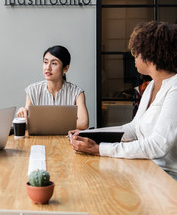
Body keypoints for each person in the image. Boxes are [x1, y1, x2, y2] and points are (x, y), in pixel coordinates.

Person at [69, 21, 177, 180]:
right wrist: (89, 134)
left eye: (135, 51)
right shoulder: (151, 85)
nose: (133, 57)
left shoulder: (174, 88)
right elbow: (133, 129)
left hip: (166, 178)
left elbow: (157, 146)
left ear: (150, 53)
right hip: (146, 169)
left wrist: (99, 149)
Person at [16, 45, 89, 130]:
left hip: (66, 141)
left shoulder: (77, 93)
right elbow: (28, 124)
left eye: (54, 63)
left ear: (65, 68)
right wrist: (22, 114)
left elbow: (83, 123)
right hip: (39, 141)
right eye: (45, 62)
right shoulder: (32, 90)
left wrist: (46, 124)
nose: (48, 68)